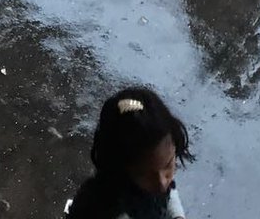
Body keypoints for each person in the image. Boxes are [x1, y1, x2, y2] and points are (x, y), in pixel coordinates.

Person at [69, 88, 192, 219]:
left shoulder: (155, 182)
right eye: (144, 174)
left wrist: (177, 216)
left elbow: (169, 193)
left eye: (168, 165)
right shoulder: (105, 208)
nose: (162, 183)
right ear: (119, 167)